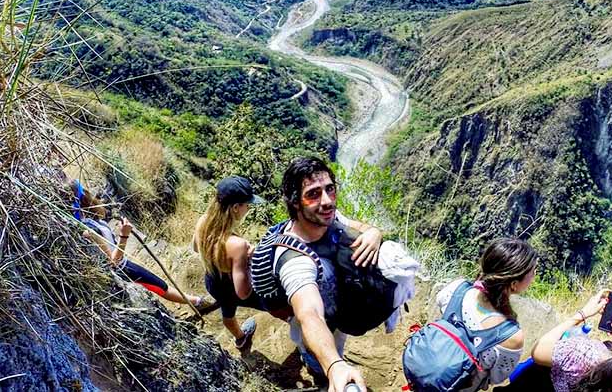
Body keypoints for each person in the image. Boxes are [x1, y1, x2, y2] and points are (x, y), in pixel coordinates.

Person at [263, 156, 382, 392]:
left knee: (338, 341)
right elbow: (309, 314)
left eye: (330, 190)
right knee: (319, 358)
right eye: (313, 194)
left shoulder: (327, 219)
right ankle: (317, 369)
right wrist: (334, 364)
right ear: (295, 202)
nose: (327, 201)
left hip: (337, 315)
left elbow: (354, 224)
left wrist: (373, 232)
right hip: (314, 330)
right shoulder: (294, 261)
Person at [68, 177, 212, 309]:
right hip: (122, 270)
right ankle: (198, 302)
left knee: (159, 285)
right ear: (83, 197)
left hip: (123, 265)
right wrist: (124, 236)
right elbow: (113, 261)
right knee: (160, 287)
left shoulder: (88, 219)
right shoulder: (87, 229)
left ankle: (197, 302)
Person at [432, 238, 537, 391]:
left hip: (429, 365)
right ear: (514, 284)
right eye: (533, 272)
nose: (535, 275)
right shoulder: (510, 335)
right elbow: (496, 378)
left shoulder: (456, 289)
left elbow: (441, 308)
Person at [193, 176, 265, 350]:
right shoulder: (238, 245)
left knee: (228, 312)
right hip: (232, 288)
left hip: (213, 282)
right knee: (275, 305)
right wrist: (247, 262)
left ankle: (240, 338)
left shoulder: (204, 221)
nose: (248, 208)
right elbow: (243, 293)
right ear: (235, 208)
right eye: (247, 204)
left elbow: (196, 248)